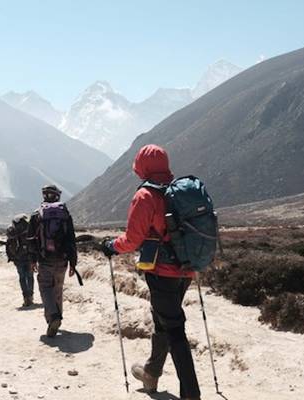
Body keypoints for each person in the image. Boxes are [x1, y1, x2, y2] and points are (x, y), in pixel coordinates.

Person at [101, 144, 200, 399]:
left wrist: (112, 246)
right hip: (186, 270)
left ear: (143, 166)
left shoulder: (146, 196)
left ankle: (191, 394)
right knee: (163, 321)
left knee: (175, 330)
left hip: (161, 272)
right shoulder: (180, 191)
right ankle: (151, 373)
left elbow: (133, 239)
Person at [27, 184, 78, 337]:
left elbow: (30, 240)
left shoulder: (37, 215)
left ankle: (53, 317)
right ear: (57, 196)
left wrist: (32, 259)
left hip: (44, 259)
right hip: (62, 260)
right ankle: (56, 318)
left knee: (45, 288)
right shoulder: (65, 214)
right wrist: (73, 262)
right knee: (57, 289)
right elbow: (71, 239)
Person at [6, 214, 34, 307]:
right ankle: (30, 296)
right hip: (29, 257)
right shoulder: (29, 229)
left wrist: (11, 257)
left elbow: (8, 245)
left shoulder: (13, 230)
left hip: (18, 259)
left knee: (22, 278)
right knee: (30, 277)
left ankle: (26, 298)